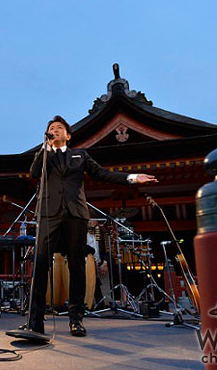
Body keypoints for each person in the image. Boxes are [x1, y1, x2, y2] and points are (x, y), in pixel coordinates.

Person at [28, 115, 157, 336]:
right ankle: (35, 320)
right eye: (51, 128)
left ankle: (76, 319)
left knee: (77, 266)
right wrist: (45, 148)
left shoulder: (80, 155)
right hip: (49, 214)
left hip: (76, 214)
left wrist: (133, 178)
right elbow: (33, 173)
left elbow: (102, 173)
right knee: (40, 265)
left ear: (68, 135)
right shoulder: (45, 155)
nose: (55, 130)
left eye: (59, 128)